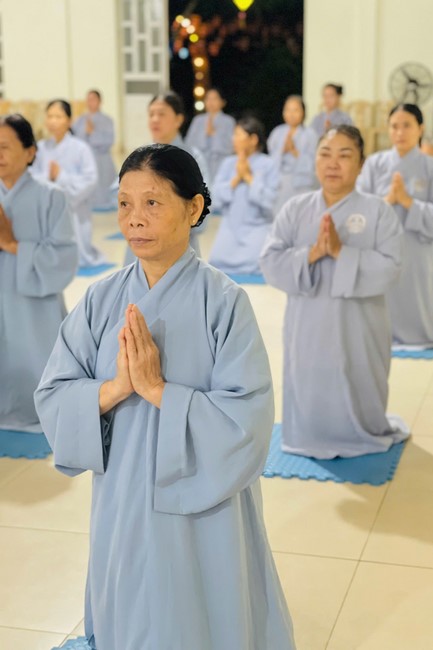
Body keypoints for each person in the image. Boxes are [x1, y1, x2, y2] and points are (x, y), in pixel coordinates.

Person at [34, 144, 296, 650]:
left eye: (152, 203)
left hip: (203, 500)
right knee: (130, 601)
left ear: (193, 209)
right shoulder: (101, 298)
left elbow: (248, 421)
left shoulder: (225, 303)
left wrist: (158, 391)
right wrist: (115, 389)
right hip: (122, 493)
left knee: (199, 610)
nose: (134, 219)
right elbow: (54, 394)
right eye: (125, 204)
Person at [260, 126, 409, 458]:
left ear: (361, 164)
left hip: (361, 325)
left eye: (345, 155)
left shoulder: (378, 212)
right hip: (308, 324)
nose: (333, 163)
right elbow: (269, 260)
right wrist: (312, 254)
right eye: (325, 154)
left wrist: (343, 252)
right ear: (315, 160)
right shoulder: (295, 208)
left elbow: (392, 268)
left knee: (360, 374)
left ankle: (363, 430)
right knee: (308, 375)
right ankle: (309, 433)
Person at [0, 114, 77, 437]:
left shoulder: (51, 196)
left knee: (38, 362)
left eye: (5, 147)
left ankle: (41, 407)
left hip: (34, 303)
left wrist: (13, 245)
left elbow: (64, 257)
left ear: (30, 152)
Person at [357, 103, 433, 346]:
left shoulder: (429, 166)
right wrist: (388, 200)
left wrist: (409, 202)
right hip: (380, 248)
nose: (400, 132)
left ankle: (420, 334)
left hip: (418, 250)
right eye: (394, 126)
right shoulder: (374, 164)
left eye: (407, 125)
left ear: (420, 128)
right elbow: (357, 209)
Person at [124, 90, 208, 265]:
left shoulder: (192, 158)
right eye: (151, 114)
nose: (155, 119)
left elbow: (203, 206)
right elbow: (117, 194)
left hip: (178, 249)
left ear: (178, 119)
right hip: (140, 245)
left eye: (161, 114)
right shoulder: (138, 158)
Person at [31, 99, 105, 268]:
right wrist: (48, 177)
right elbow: (31, 176)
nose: (53, 121)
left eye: (58, 117)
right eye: (50, 116)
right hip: (47, 207)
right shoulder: (41, 148)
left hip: (74, 209)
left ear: (69, 121)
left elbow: (90, 179)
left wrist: (62, 177)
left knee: (74, 249)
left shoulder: (81, 148)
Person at [209, 116, 279, 275]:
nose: (233, 139)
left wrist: (248, 177)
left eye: (238, 135)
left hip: (257, 227)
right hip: (230, 227)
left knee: (258, 264)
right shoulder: (228, 163)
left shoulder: (268, 164)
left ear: (253, 139)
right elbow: (214, 199)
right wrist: (236, 179)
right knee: (217, 262)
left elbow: (270, 202)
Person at [267, 95, 318, 212]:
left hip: (301, 182)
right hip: (280, 180)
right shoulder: (277, 132)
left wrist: (294, 151)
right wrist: (282, 151)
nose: (291, 114)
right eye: (288, 110)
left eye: (295, 110)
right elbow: (271, 159)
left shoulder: (310, 134)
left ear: (303, 113)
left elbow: (314, 162)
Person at [74, 89, 117, 210]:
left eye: (93, 99)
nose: (90, 102)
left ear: (100, 101)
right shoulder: (80, 120)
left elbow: (109, 141)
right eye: (88, 100)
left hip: (102, 160)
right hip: (84, 160)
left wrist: (93, 132)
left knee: (102, 187)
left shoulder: (107, 120)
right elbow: (76, 140)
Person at [185, 87, 235, 185]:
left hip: (221, 163)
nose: (211, 102)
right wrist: (204, 136)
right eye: (208, 99)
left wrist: (214, 135)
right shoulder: (198, 120)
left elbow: (232, 146)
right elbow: (189, 143)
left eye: (214, 99)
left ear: (222, 102)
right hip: (201, 163)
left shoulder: (228, 121)